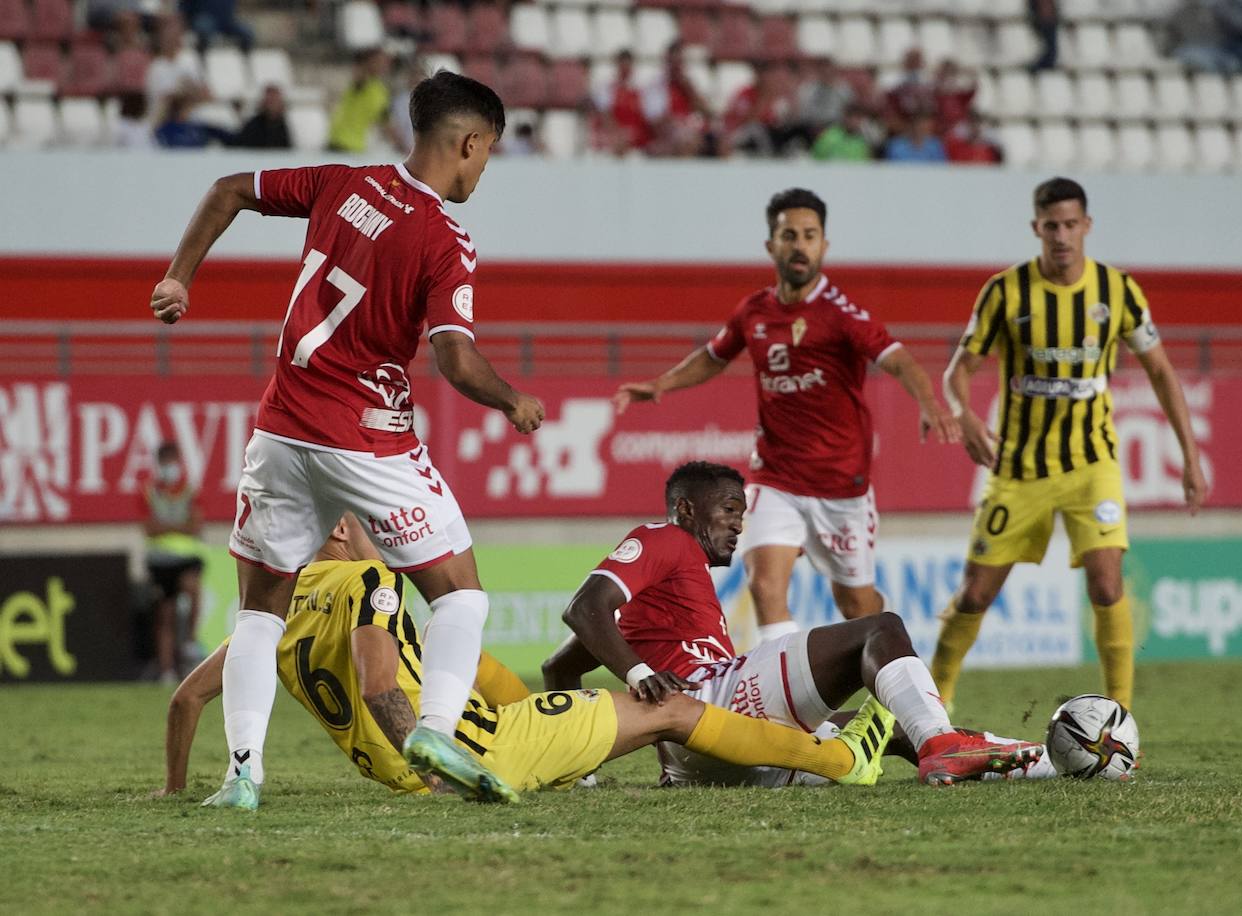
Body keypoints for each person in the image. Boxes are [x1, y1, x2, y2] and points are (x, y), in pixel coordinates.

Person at [148, 71, 546, 810]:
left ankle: (242, 775)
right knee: (461, 597)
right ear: (468, 142)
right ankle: (432, 730)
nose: (483, 169)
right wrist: (512, 398)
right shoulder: (446, 238)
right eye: (487, 154)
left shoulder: (342, 182)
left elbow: (230, 186)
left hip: (281, 427)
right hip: (367, 438)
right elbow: (456, 359)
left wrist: (180, 278)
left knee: (260, 614)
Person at [155, 514, 894, 799]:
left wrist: (174, 790)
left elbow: (185, 700)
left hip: (415, 776)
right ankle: (841, 761)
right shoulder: (372, 581)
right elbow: (381, 679)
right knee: (666, 707)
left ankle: (570, 763)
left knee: (471, 665)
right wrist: (438, 763)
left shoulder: (268, 618)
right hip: (480, 755)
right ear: (344, 530)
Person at [542, 461, 1043, 787]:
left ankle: (1050, 760)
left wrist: (578, 778)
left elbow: (558, 668)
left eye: (743, 513)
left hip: (705, 762)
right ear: (687, 509)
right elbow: (585, 608)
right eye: (730, 510)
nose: (740, 524)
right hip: (714, 707)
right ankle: (943, 744)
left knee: (893, 726)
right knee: (879, 627)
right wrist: (638, 675)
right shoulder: (666, 538)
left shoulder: (662, 596)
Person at [613, 189, 959, 642]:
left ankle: (889, 659)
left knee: (857, 607)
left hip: (841, 488)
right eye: (789, 235)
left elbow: (898, 360)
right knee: (764, 584)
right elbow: (714, 356)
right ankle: (786, 700)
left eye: (810, 236)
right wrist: (662, 384)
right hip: (775, 478)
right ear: (771, 245)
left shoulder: (841, 315)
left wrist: (929, 401)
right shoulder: (753, 311)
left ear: (824, 247)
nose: (800, 245)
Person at [931, 177, 1208, 714]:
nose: (1061, 235)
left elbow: (1162, 372)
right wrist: (962, 414)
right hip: (1019, 469)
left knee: (1107, 585)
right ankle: (933, 708)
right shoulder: (1005, 291)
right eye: (1051, 225)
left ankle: (1120, 718)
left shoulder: (1117, 290)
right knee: (975, 595)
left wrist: (1190, 458)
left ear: (1087, 226)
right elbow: (957, 371)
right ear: (1037, 227)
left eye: (1070, 224)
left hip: (1092, 464)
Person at [142, 441, 205, 685]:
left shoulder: (189, 489)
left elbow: (196, 525)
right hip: (160, 561)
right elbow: (149, 529)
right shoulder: (150, 491)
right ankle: (167, 671)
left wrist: (166, 528)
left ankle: (189, 641)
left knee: (193, 591)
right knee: (165, 615)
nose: (170, 466)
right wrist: (180, 527)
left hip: (187, 558)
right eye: (165, 461)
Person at [328, 48, 400, 154]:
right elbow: (358, 72)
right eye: (379, 61)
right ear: (368, 61)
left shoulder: (381, 91)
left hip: (356, 147)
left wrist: (402, 147)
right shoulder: (361, 80)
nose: (384, 65)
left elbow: (386, 123)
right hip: (338, 142)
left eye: (386, 62)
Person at [232, 84, 291, 149]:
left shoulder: (289, 125)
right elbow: (239, 142)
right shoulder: (254, 124)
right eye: (269, 101)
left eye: (274, 100)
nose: (272, 104)